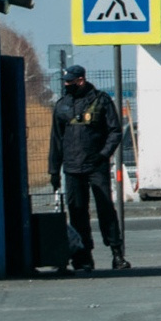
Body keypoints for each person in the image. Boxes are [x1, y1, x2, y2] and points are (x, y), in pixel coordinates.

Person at [48, 64, 128, 271]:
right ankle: (83, 257)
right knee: (77, 213)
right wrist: (53, 170)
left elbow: (115, 132)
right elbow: (56, 140)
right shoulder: (62, 105)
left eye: (70, 82)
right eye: (65, 82)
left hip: (95, 166)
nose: (66, 85)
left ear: (81, 80)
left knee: (105, 211)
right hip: (72, 168)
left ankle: (117, 254)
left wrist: (103, 155)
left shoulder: (101, 101)